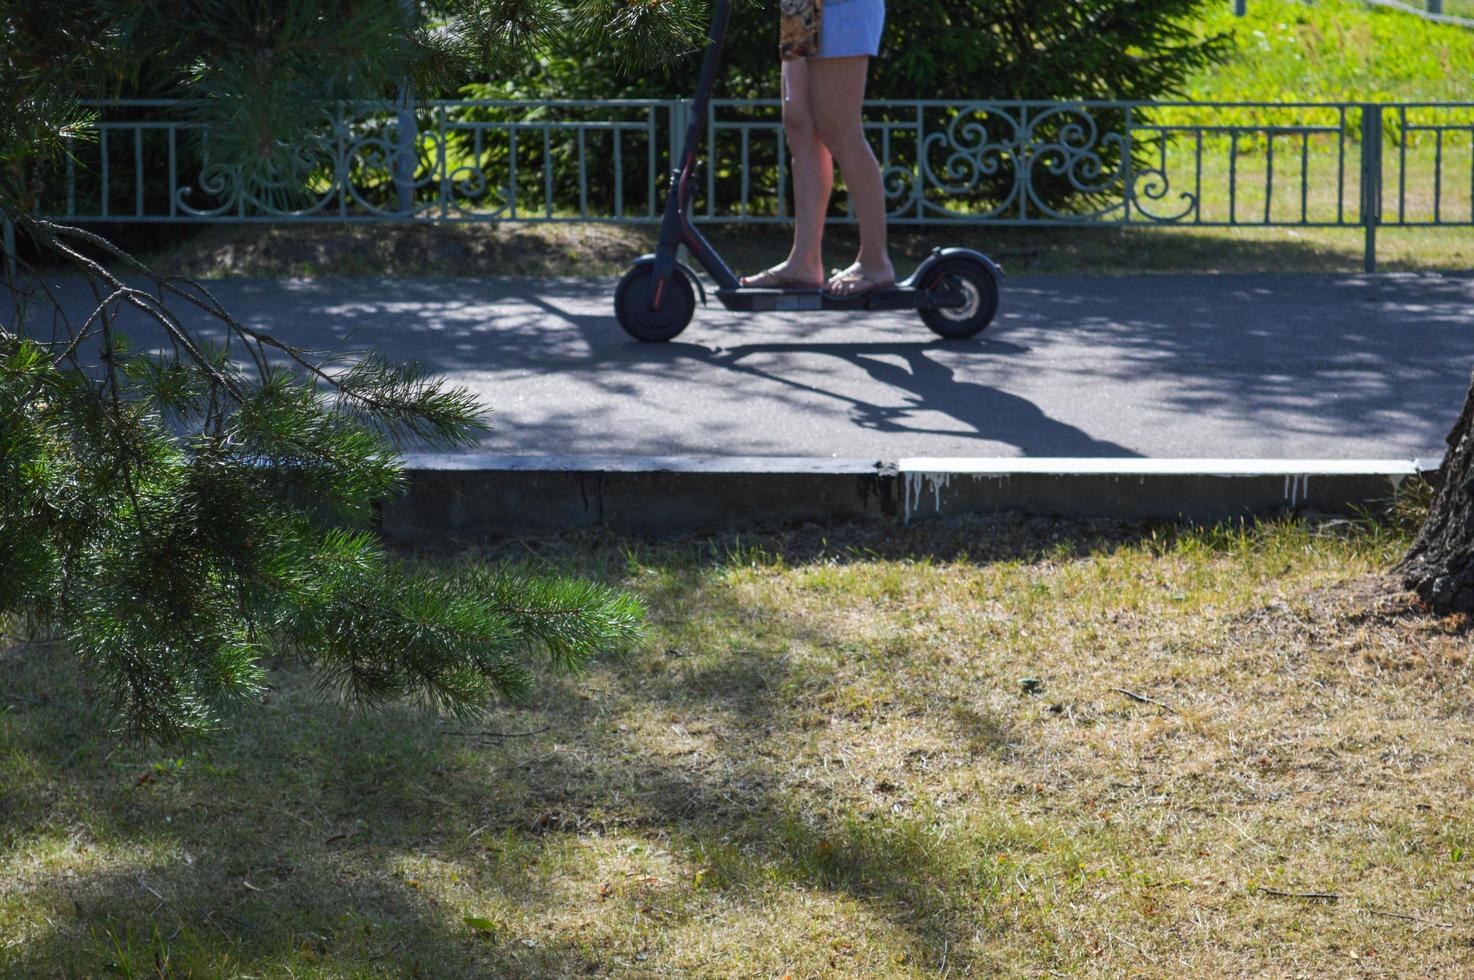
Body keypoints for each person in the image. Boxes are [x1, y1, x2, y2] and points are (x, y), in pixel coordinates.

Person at [742, 0, 893, 297]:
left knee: (839, 129)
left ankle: (876, 262)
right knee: (799, 125)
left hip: (842, 6)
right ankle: (804, 261)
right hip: (800, 4)